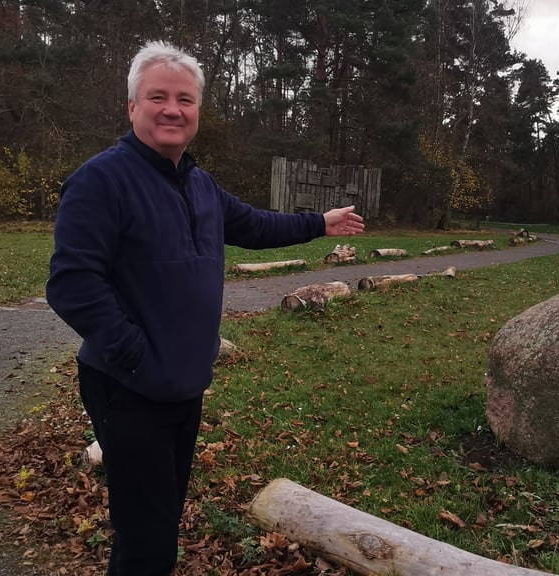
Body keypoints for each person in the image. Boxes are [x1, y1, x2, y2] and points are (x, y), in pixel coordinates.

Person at [46, 40, 365, 576]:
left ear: (197, 111)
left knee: (157, 523)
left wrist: (319, 222)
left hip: (183, 386)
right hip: (128, 387)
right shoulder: (102, 180)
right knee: (148, 539)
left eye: (185, 99)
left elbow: (255, 225)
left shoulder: (199, 183)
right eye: (158, 97)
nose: (173, 108)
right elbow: (72, 284)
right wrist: (138, 358)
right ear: (132, 107)